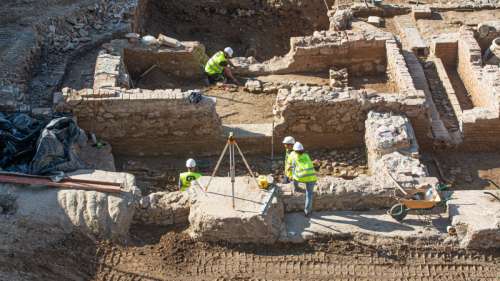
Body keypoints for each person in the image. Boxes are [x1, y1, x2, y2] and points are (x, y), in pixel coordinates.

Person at [291, 142, 317, 217]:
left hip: (300, 177)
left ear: (295, 151)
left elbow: (293, 167)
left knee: (294, 175)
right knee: (309, 195)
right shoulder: (306, 155)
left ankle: (296, 187)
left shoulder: (294, 157)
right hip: (311, 178)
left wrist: (293, 175)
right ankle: (307, 212)